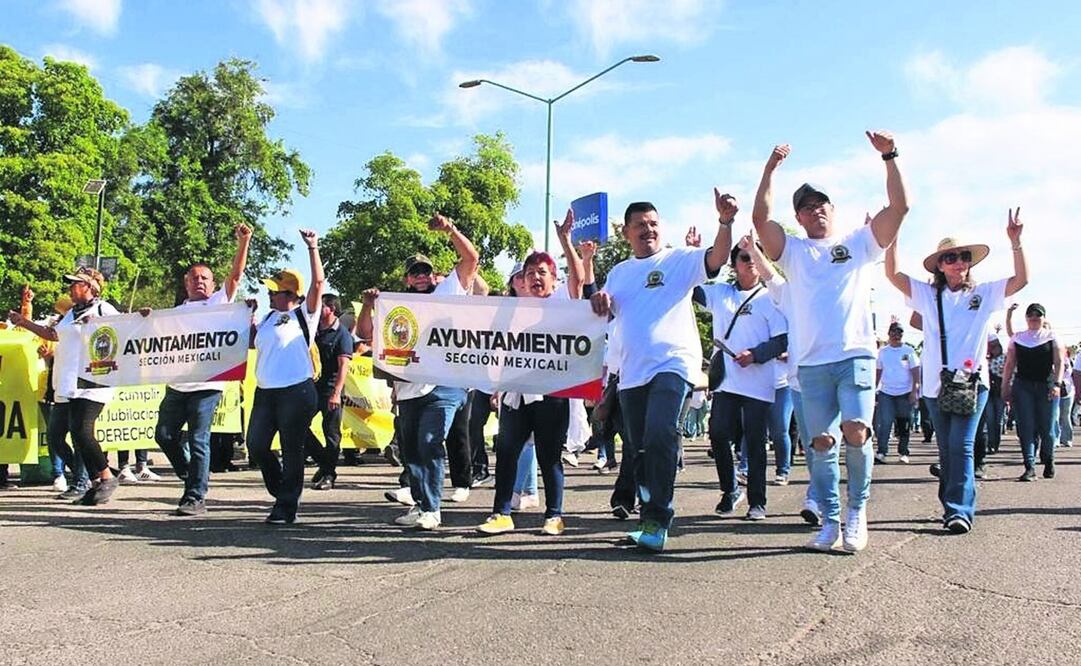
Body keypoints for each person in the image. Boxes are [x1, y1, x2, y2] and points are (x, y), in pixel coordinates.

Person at [750, 132, 908, 553]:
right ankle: (831, 519)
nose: (815, 210)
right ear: (798, 218)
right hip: (810, 364)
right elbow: (761, 220)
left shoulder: (858, 243)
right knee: (822, 443)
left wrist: (889, 157)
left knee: (856, 431)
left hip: (854, 354)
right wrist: (769, 169)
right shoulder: (794, 252)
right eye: (805, 207)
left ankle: (857, 511)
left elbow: (899, 208)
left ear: (832, 209)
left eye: (821, 204)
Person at [590, 192, 733, 552]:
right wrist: (599, 302)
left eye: (653, 224)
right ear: (626, 233)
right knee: (637, 448)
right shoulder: (619, 273)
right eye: (639, 225)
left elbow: (716, 258)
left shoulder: (679, 260)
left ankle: (657, 519)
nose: (648, 230)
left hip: (674, 364)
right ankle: (647, 516)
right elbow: (602, 313)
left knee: (659, 433)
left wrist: (726, 222)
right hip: (632, 374)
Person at [883, 208, 1027, 534]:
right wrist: (892, 240)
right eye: (950, 258)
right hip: (936, 385)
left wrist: (1016, 243)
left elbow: (1021, 280)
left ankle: (960, 510)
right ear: (939, 265)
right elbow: (893, 275)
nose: (958, 262)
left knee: (962, 444)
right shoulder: (927, 294)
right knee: (947, 448)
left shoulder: (983, 293)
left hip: (972, 384)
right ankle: (951, 502)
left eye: (963, 257)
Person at [478, 212, 593, 536]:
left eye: (542, 272)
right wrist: (497, 386)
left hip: (552, 395)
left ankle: (554, 514)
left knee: (548, 457)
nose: (536, 278)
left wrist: (565, 241)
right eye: (530, 273)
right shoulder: (510, 311)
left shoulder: (561, 303)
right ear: (522, 281)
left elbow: (579, 281)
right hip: (516, 394)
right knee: (507, 453)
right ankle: (501, 513)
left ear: (553, 279)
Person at [359, 213, 477, 531]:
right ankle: (421, 503)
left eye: (425, 271)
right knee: (411, 451)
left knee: (429, 442)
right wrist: (369, 305)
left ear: (433, 276)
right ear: (407, 279)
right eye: (415, 273)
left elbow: (471, 259)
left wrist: (451, 229)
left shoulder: (445, 294)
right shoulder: (396, 306)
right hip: (407, 390)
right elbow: (363, 332)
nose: (422, 276)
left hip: (442, 386)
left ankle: (433, 510)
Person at [153, 223, 251, 516]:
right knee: (164, 435)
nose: (200, 282)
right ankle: (188, 472)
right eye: (194, 278)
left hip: (208, 385)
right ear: (186, 283)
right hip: (177, 385)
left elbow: (235, 275)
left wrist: (243, 242)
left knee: (198, 438)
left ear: (212, 283)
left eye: (205, 278)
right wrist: (145, 318)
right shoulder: (175, 312)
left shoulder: (221, 303)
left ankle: (195, 496)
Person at [692, 233, 787, 522]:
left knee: (756, 442)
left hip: (759, 383)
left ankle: (758, 501)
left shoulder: (771, 298)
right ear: (734, 264)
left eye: (756, 257)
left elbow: (782, 341)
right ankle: (730, 490)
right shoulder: (721, 293)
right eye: (745, 257)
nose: (752, 263)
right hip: (726, 381)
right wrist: (695, 254)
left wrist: (756, 354)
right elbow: (692, 291)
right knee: (719, 434)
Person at [8, 267, 120, 505]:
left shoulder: (104, 309)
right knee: (57, 436)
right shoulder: (69, 314)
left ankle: (105, 475)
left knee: (81, 431)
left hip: (92, 381)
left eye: (75, 284)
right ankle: (93, 478)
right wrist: (23, 322)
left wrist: (103, 325)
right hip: (66, 382)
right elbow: (52, 335)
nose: (70, 288)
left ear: (89, 287)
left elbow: (123, 330)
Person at [248, 229, 324, 524]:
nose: (269, 293)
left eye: (274, 290)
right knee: (256, 445)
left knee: (293, 449)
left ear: (292, 295)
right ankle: (282, 489)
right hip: (266, 392)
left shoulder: (305, 315)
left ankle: (286, 506)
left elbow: (318, 282)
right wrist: (247, 316)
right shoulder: (268, 318)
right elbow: (252, 342)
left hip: (296, 391)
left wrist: (312, 247)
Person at [1002, 302, 1062, 481]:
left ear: (1044, 318)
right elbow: (1010, 363)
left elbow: (1058, 362)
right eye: (1031, 315)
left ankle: (1049, 459)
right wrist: (1005, 385)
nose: (1034, 318)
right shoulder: (1018, 338)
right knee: (1026, 427)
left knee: (1047, 428)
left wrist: (1057, 384)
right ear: (1026, 318)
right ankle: (1029, 466)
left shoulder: (1051, 336)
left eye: (1038, 315)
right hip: (1023, 386)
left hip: (1047, 385)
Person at [303, 293, 355, 491]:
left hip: (331, 389)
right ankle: (325, 463)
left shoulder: (342, 334)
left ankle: (328, 475)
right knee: (298, 426)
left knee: (331, 433)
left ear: (331, 309)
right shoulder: (312, 329)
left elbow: (344, 366)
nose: (316, 309)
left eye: (321, 306)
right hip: (311, 387)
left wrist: (336, 393)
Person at [874, 322, 920, 464]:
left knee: (904, 423)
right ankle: (882, 451)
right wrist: (874, 390)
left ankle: (903, 452)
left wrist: (914, 391)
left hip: (905, 393)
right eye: (893, 332)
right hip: (886, 392)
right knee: (885, 423)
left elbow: (915, 372)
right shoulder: (883, 352)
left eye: (899, 333)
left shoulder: (908, 351)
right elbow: (878, 372)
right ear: (888, 334)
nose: (896, 335)